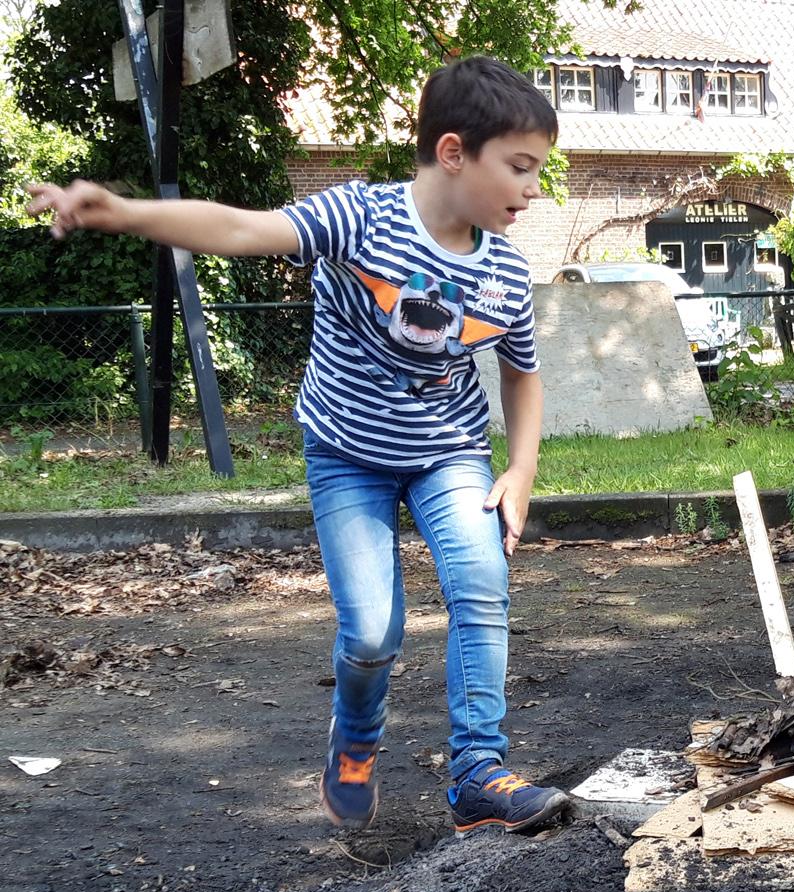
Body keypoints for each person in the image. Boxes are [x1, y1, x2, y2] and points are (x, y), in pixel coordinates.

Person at [26, 56, 570, 835]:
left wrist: (520, 468)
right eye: (520, 167)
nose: (533, 187)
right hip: (347, 453)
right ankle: (356, 735)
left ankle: (479, 772)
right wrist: (122, 210)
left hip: (448, 451)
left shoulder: (506, 272)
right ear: (454, 151)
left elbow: (522, 372)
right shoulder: (359, 217)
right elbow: (241, 228)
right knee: (373, 632)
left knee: (482, 584)